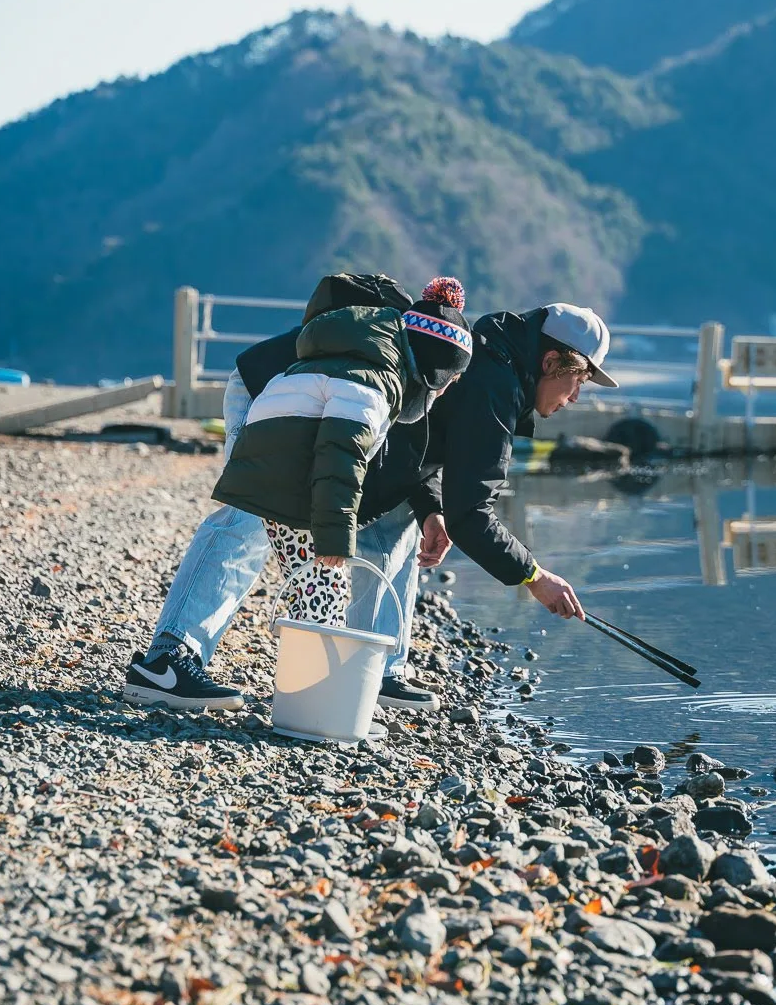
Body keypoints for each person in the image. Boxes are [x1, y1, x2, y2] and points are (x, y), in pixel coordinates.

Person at [124, 273, 468, 713]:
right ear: (435, 373)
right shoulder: (379, 372)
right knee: (246, 522)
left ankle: (357, 680)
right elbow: (341, 460)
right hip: (266, 398)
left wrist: (430, 507)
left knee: (330, 563)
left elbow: (403, 454)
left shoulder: (400, 349)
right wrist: (333, 540)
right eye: (445, 385)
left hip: (311, 410)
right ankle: (168, 662)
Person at [436, 302, 618, 618]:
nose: (575, 398)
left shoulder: (489, 362)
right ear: (550, 362)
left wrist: (426, 507)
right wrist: (534, 576)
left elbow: (421, 443)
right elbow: (467, 514)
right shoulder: (495, 387)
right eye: (580, 382)